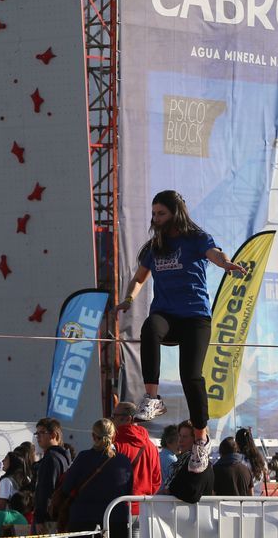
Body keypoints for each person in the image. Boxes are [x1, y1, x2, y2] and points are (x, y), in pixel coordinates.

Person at [118, 190, 246, 474]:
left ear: (175, 213)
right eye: (153, 214)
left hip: (195, 317)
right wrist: (128, 298)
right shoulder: (154, 247)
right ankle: (153, 398)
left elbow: (214, 253)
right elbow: (139, 278)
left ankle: (201, 439)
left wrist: (225, 264)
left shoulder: (195, 239)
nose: (156, 219)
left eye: (161, 213)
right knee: (150, 326)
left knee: (191, 376)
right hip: (166, 315)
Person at [55, 419, 134, 535]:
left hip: (84, 519)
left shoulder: (83, 458)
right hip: (116, 519)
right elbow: (128, 489)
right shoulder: (123, 461)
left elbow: (66, 487)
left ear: (93, 436)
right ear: (113, 436)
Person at [111, 401, 163, 519]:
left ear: (128, 419)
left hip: (118, 509)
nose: (112, 420)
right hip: (143, 510)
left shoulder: (116, 445)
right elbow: (156, 481)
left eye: (115, 416)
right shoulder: (151, 446)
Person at [161, 420, 215, 504]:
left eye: (185, 437)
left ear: (195, 440)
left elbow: (192, 493)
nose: (180, 440)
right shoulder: (184, 459)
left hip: (195, 514)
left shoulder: (198, 461)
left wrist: (169, 489)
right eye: (180, 436)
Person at [33, 418, 71, 532]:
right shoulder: (63, 456)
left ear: (54, 435)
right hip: (58, 515)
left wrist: (40, 519)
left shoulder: (51, 458)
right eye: (37, 433)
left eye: (42, 432)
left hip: (48, 518)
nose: (38, 437)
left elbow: (46, 489)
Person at [236, 427, 267, 494]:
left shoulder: (240, 461)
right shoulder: (260, 459)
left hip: (245, 499)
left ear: (237, 442)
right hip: (258, 497)